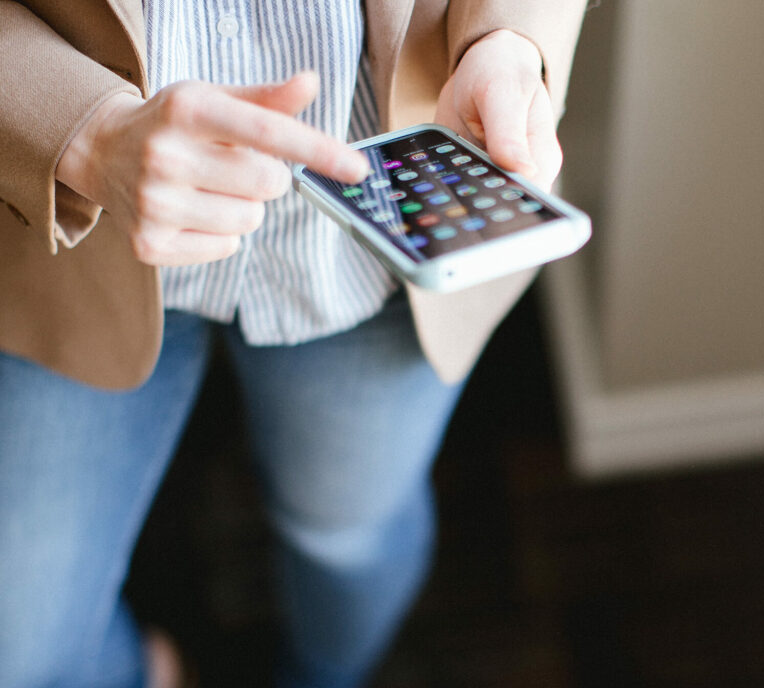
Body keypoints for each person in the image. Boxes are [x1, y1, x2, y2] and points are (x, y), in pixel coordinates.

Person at [0, 1, 588, 686]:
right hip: (73, 225)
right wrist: (81, 134)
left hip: (381, 226)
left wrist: (507, 39)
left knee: (346, 541)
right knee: (20, 647)